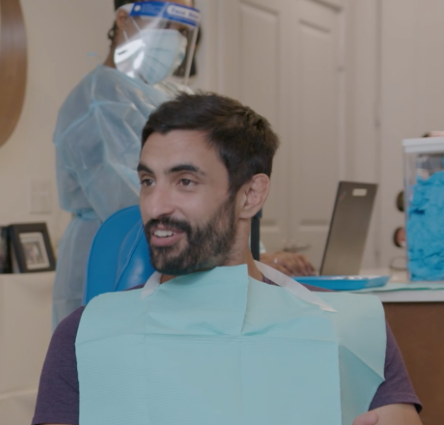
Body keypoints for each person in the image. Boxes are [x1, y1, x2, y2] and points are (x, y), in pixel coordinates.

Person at [27, 93, 444, 425]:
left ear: (251, 194)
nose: (156, 206)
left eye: (185, 181)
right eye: (146, 181)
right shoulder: (89, 333)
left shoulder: (343, 324)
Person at [51, 0, 312, 327]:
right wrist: (252, 257)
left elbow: (222, 185)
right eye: (166, 26)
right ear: (123, 19)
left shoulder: (165, 94)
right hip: (117, 259)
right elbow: (132, 205)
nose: (174, 40)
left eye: (181, 31)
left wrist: (250, 254)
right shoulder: (98, 99)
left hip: (188, 263)